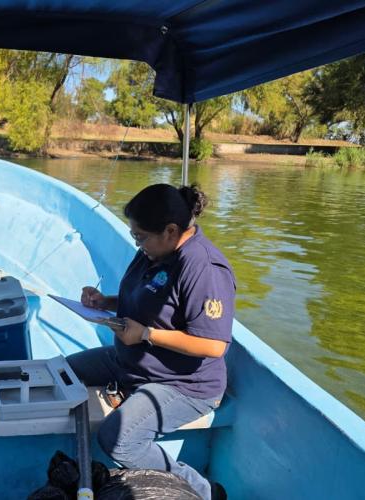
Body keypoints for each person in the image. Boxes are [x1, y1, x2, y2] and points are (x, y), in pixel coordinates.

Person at [67, 183, 235, 500]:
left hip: (183, 384)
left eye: (140, 236)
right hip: (129, 361)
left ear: (171, 231)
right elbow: (148, 301)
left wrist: (146, 334)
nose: (137, 242)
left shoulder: (204, 269)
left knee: (118, 440)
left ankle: (204, 490)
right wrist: (105, 302)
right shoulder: (153, 251)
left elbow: (214, 345)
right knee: (61, 373)